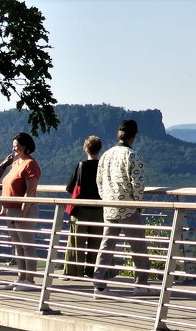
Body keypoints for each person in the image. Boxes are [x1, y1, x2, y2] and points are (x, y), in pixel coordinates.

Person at [92, 119, 153, 295]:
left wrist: (106, 198)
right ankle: (141, 284)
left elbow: (99, 181)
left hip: (109, 206)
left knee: (107, 246)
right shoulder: (133, 156)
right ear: (134, 137)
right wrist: (137, 204)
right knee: (138, 247)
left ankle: (99, 285)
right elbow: (138, 184)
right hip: (128, 207)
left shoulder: (106, 155)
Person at [0, 132, 42, 289]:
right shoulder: (15, 163)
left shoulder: (31, 164)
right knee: (18, 246)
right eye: (14, 145)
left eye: (17, 145)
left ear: (26, 146)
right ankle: (21, 277)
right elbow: (8, 185)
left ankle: (30, 280)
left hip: (23, 210)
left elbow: (30, 190)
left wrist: (23, 212)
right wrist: (4, 207)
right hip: (11, 210)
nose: (14, 148)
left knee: (27, 245)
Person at [63, 136, 103, 278]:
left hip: (81, 209)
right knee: (96, 241)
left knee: (75, 241)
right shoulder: (103, 167)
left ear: (85, 149)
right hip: (100, 209)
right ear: (100, 149)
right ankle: (94, 271)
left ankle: (74, 272)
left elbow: (70, 187)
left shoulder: (81, 166)